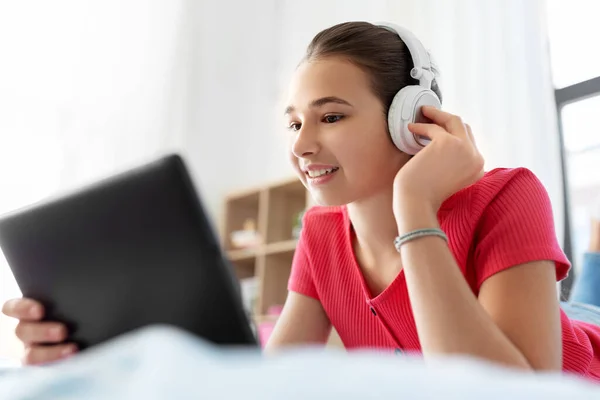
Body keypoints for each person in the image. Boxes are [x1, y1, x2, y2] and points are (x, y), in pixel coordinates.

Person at [2, 21, 600, 381]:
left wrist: (413, 206)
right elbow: (266, 381)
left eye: (331, 116)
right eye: (293, 125)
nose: (303, 145)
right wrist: (92, 360)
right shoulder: (321, 232)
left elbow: (508, 390)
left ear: (410, 119)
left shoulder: (509, 195)